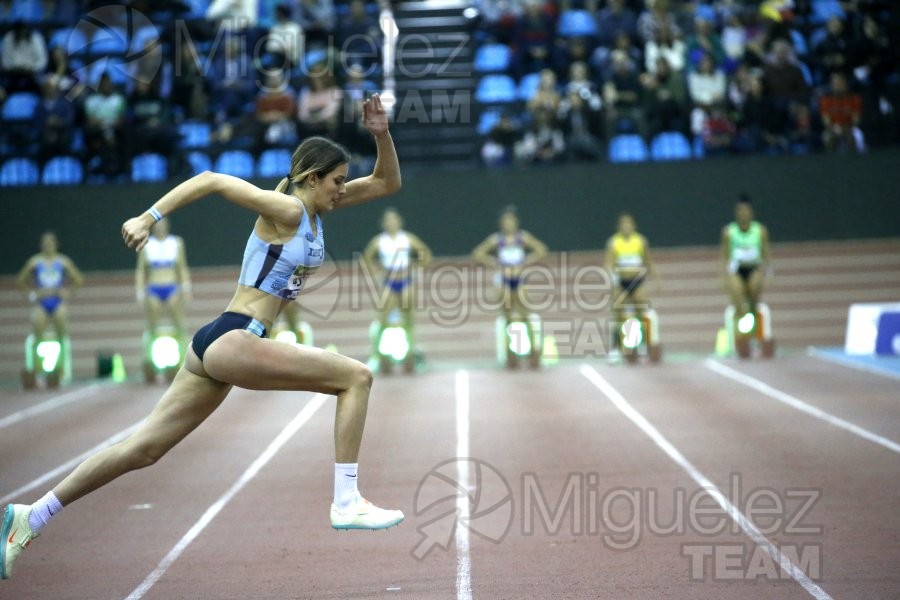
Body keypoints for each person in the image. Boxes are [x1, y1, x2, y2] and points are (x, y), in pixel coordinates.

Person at [1, 94, 403, 581]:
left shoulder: (318, 211)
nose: (342, 190)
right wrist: (149, 217)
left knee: (142, 449)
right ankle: (346, 501)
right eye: (337, 181)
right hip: (238, 337)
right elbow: (213, 180)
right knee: (355, 377)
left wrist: (380, 133)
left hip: (217, 341)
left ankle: (33, 514)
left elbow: (387, 182)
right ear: (311, 178)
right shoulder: (290, 210)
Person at [362, 207, 432, 363]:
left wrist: (417, 265)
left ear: (399, 222)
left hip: (406, 281)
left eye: (393, 220)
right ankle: (375, 355)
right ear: (383, 224)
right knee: (382, 319)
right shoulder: (379, 241)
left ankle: (412, 354)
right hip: (389, 282)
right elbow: (366, 258)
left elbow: (425, 253)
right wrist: (376, 270)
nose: (391, 223)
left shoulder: (407, 239)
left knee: (408, 319)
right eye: (388, 221)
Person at [472, 205, 547, 344]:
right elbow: (478, 253)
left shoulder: (522, 237)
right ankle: (508, 350)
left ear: (516, 222)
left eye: (511, 221)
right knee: (507, 317)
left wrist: (527, 261)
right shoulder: (496, 239)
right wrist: (494, 262)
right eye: (506, 221)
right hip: (504, 279)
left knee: (525, 315)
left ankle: (533, 347)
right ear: (501, 223)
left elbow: (541, 250)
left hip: (520, 278)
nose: (509, 224)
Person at [15, 232, 85, 379]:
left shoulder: (63, 261)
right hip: (41, 301)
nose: (48, 246)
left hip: (57, 300)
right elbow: (20, 280)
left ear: (56, 245)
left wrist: (67, 293)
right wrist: (32, 295)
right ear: (41, 246)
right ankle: (37, 367)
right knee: (37, 332)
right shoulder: (35, 262)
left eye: (51, 243)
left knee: (61, 332)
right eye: (45, 243)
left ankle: (59, 367)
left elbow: (78, 279)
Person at [135, 218, 192, 366]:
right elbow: (141, 270)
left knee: (178, 322)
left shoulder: (176, 243)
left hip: (171, 285)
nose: (160, 228)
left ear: (167, 226)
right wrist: (140, 292)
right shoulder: (147, 244)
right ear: (153, 228)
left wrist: (186, 287)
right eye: (157, 226)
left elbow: (182, 267)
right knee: (152, 324)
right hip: (154, 286)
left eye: (163, 225)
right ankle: (148, 359)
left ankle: (183, 357)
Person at [604, 213, 658, 351]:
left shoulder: (640, 241)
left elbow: (648, 261)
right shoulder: (614, 242)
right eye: (623, 224)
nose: (626, 226)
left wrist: (656, 279)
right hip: (621, 282)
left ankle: (643, 344)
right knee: (618, 314)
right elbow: (609, 263)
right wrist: (613, 279)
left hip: (637, 281)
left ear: (634, 225)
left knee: (641, 311)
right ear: (619, 227)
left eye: (629, 223)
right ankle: (616, 348)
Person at [720, 194, 771, 322]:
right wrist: (722, 277)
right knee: (737, 297)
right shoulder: (729, 232)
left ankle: (753, 318)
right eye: (740, 211)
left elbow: (766, 252)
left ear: (751, 213)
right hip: (736, 269)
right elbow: (724, 256)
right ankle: (739, 329)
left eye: (746, 210)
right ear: (736, 213)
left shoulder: (760, 231)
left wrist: (769, 272)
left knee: (754, 290)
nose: (743, 214)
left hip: (754, 268)